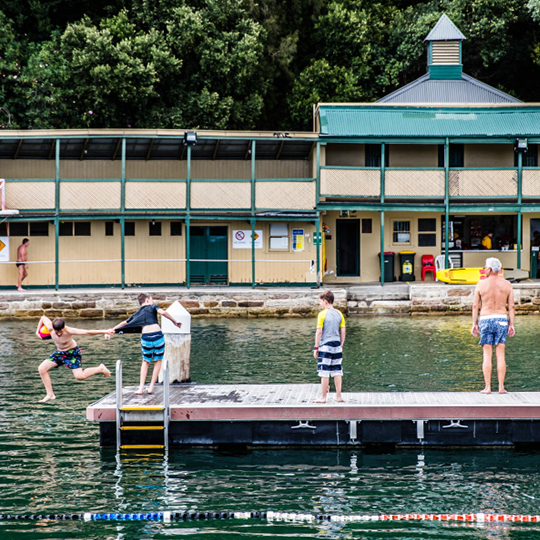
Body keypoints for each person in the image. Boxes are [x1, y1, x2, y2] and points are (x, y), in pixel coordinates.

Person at [109, 293, 182, 395]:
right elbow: (163, 313)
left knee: (145, 362)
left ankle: (141, 388)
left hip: (146, 338)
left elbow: (124, 323)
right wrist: (174, 321)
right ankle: (151, 386)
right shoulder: (153, 307)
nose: (152, 302)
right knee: (158, 361)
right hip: (157, 336)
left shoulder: (137, 313)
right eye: (152, 300)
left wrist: (112, 330)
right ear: (147, 300)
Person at [36, 316, 113, 403]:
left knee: (80, 377)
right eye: (56, 332)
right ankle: (50, 394)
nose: (59, 334)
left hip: (72, 353)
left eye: (60, 332)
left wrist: (105, 331)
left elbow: (87, 332)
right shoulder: (50, 327)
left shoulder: (69, 330)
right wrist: (37, 332)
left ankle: (100, 368)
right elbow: (43, 318)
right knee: (42, 369)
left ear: (63, 328)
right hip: (60, 353)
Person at [471, 257, 515, 394]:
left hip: (486, 318)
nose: (484, 269)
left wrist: (474, 323)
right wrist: (511, 324)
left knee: (487, 355)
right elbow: (512, 306)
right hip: (502, 319)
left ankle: (488, 387)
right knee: (500, 355)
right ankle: (501, 387)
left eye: (485, 267)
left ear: (490, 269)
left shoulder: (481, 284)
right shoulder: (507, 285)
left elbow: (475, 306)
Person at [313, 291, 346, 403]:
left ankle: (323, 397)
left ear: (325, 301)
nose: (320, 304)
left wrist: (316, 348)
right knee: (337, 371)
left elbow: (319, 332)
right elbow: (343, 330)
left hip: (325, 346)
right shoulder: (339, 313)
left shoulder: (322, 314)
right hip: (337, 345)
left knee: (324, 371)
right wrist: (341, 344)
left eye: (320, 302)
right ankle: (338, 397)